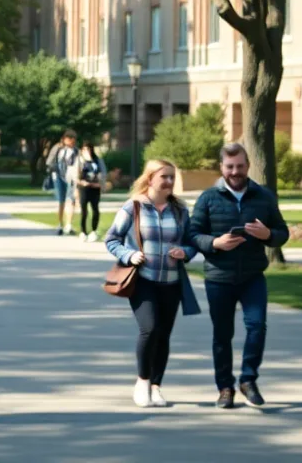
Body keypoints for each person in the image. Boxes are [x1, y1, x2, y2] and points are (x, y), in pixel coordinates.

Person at [188, 142, 289, 409]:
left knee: (257, 327)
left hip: (253, 276)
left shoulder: (263, 196)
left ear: (248, 166)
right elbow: (192, 234)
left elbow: (282, 232)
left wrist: (268, 235)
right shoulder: (208, 198)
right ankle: (224, 388)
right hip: (219, 277)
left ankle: (248, 379)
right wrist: (214, 244)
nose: (235, 171)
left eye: (240, 166)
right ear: (222, 167)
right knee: (222, 335)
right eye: (230, 166)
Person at [105, 159, 200, 408]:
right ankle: (142, 381)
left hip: (171, 281)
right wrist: (129, 255)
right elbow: (112, 239)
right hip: (143, 279)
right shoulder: (133, 207)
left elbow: (192, 242)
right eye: (164, 177)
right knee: (150, 328)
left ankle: (157, 386)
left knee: (164, 334)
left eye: (172, 177)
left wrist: (185, 252)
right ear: (150, 179)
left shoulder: (179, 209)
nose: (169, 182)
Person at [45, 130, 80, 235]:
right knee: (61, 201)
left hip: (72, 178)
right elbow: (49, 162)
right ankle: (60, 224)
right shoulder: (57, 149)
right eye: (69, 140)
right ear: (64, 139)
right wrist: (54, 169)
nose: (71, 143)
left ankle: (69, 225)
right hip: (59, 177)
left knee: (71, 200)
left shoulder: (76, 151)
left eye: (73, 141)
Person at [77, 142, 108, 242]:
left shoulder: (97, 160)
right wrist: (81, 182)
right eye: (84, 149)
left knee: (95, 210)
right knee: (84, 210)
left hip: (95, 188)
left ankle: (94, 231)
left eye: (88, 149)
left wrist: (100, 184)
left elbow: (103, 173)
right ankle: (83, 232)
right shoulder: (79, 160)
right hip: (84, 188)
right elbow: (74, 175)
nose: (87, 151)